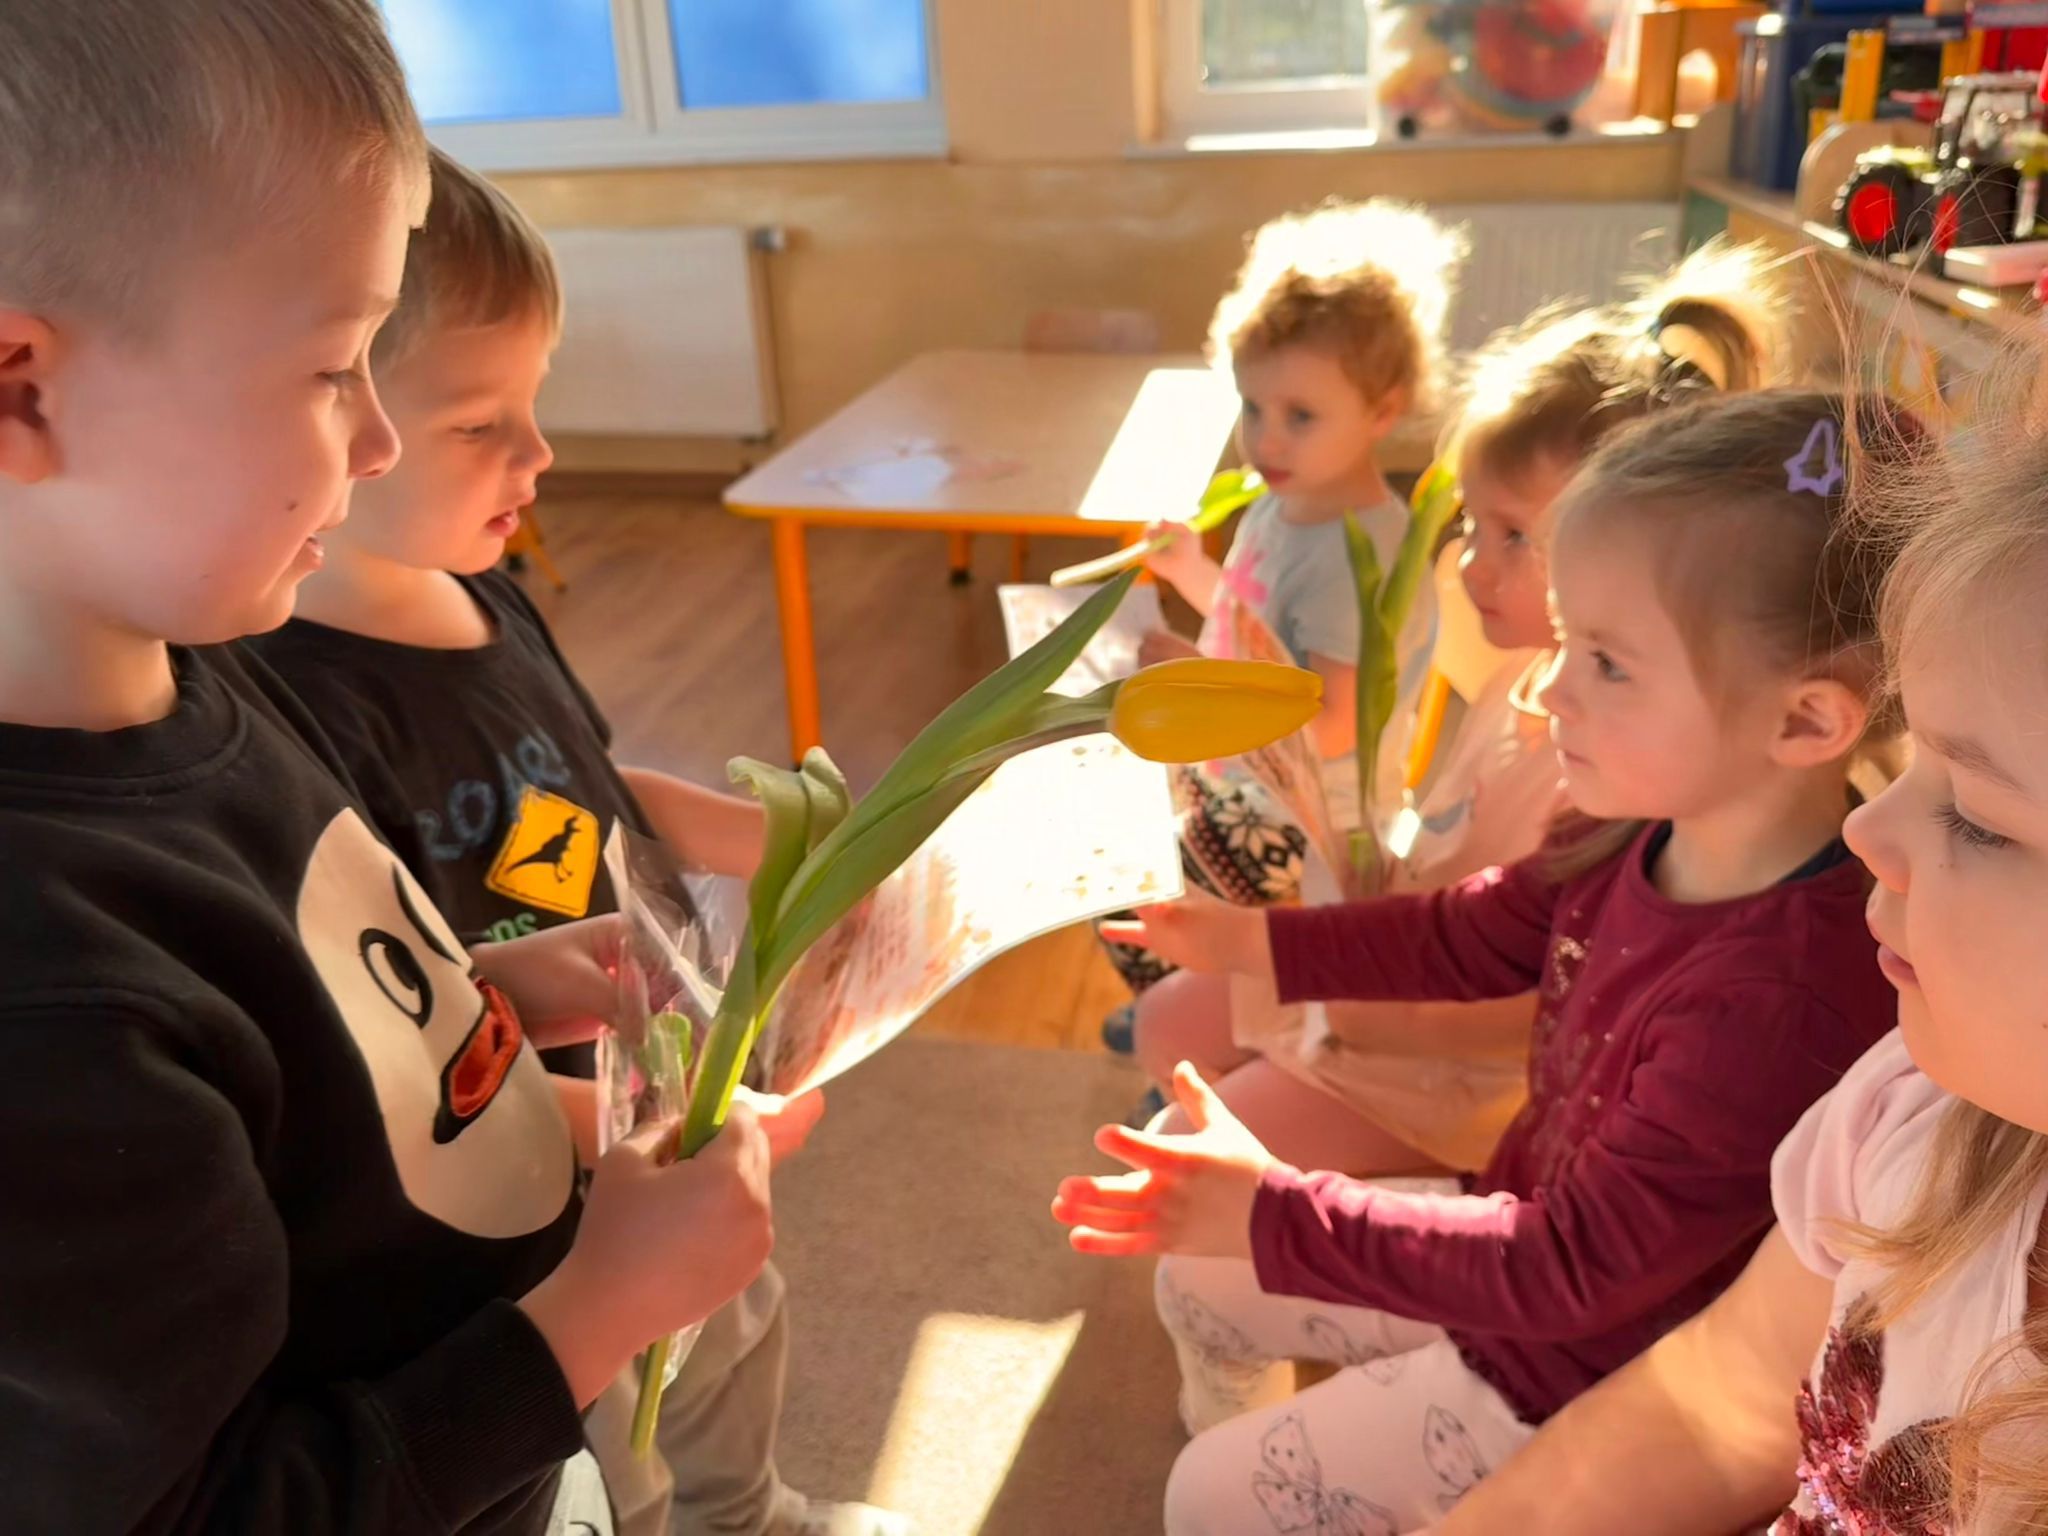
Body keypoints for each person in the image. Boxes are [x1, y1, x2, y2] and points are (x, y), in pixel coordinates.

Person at [0, 7, 793, 1530]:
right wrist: (591, 1322)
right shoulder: (47, 1000)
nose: (374, 444)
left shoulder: (211, 663)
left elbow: (297, 1032)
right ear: (21, 385)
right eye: (329, 369)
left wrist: (487, 996)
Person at [1055, 391, 1906, 1532]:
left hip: (1578, 1375)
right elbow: (1464, 933)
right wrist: (1249, 942)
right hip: (1514, 1242)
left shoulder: (1778, 1000)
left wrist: (1274, 1213)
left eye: (1605, 663)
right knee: (1196, 1280)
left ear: (1803, 723)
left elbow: (1571, 1272)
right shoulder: (1631, 829)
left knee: (1207, 1500)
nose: (1550, 690)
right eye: (1565, 645)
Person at [248, 147, 904, 1536]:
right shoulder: (294, 699)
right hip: (520, 1160)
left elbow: (586, 795)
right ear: (347, 426)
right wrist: (612, 1131)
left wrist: (778, 840)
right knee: (617, 1435)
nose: (538, 456)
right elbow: (387, 1032)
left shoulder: (485, 597)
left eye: (534, 405)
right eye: (480, 423)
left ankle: (751, 1511)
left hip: (641, 1084)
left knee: (736, 1320)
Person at [1434, 353, 2048, 1536]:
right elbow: (1712, 1406)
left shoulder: (1780, 994)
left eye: (1973, 814)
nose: (1866, 828)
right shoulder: (1908, 1115)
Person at [1128, 242, 1790, 1177]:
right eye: (1474, 525)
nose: (1472, 564)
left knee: (1178, 1154)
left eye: (1514, 535)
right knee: (1165, 1024)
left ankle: (1358, 1204)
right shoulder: (1525, 680)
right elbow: (1449, 864)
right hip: (1390, 977)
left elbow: (1526, 1006)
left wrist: (1340, 994)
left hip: (1446, 1078)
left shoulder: (1609, 769)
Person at [1099, 200, 1467, 1035]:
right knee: (1101, 821)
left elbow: (1328, 725)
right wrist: (1192, 570)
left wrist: (1192, 684)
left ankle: (1198, 1017)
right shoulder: (1282, 505)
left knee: (1129, 867)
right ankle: (1178, 1004)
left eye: (1300, 415)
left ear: (1383, 412)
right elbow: (1255, 621)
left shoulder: (1354, 559)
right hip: (1244, 777)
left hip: (1311, 825)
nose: (1267, 440)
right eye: (1252, 407)